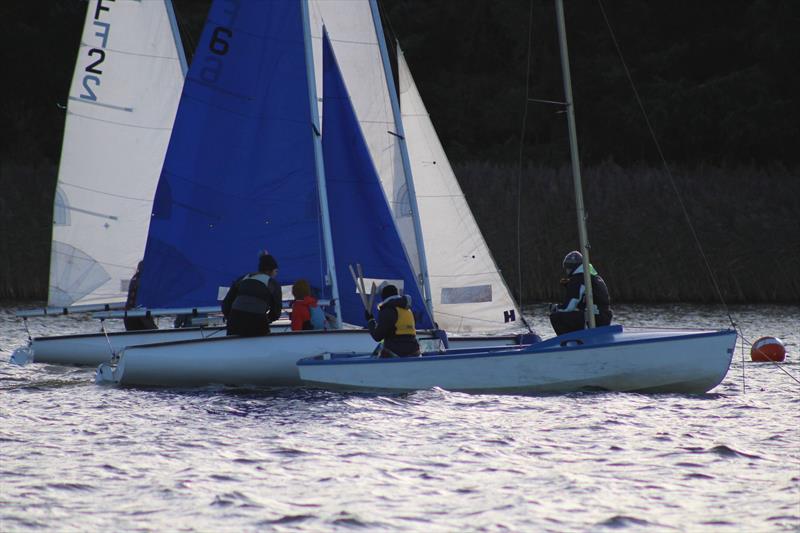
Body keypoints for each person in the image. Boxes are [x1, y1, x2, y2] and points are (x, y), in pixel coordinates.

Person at [549, 250, 613, 336]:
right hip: (604, 317)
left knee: (556, 316)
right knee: (575, 313)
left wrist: (555, 308)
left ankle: (569, 341)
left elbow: (570, 306)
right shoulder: (593, 276)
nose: (567, 271)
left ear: (572, 268)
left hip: (595, 318)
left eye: (567, 268)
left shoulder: (578, 278)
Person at [222, 253, 282, 336]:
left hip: (234, 321)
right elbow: (276, 311)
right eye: (276, 271)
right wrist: (266, 320)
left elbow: (226, 303)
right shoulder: (272, 283)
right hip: (257, 323)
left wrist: (231, 317)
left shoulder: (243, 278)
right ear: (269, 271)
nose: (276, 274)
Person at [365, 284, 421, 357]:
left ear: (384, 297)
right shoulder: (409, 311)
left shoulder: (388, 311)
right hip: (414, 351)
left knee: (377, 353)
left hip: (395, 352)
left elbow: (377, 336)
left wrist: (370, 320)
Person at [124, 261, 158, 331]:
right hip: (140, 315)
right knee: (154, 332)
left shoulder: (135, 278)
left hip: (128, 315)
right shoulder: (144, 280)